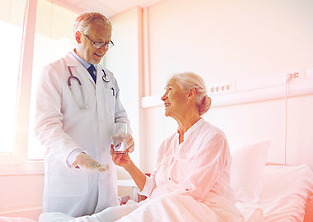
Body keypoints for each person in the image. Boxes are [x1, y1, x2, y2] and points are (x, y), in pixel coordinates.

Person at [39, 72, 263, 222]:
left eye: (169, 89)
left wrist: (152, 204)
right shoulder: (167, 144)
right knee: (115, 213)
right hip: (167, 205)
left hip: (206, 211)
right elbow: (153, 188)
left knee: (155, 207)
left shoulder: (213, 137)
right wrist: (128, 165)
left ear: (190, 93)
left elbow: (194, 192)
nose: (163, 97)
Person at [34, 12, 134, 217]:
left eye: (107, 43)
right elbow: (45, 125)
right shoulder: (54, 72)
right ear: (79, 37)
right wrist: (74, 155)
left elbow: (119, 117)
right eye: (98, 42)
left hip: (105, 182)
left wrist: (123, 137)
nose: (103, 49)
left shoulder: (108, 78)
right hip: (70, 179)